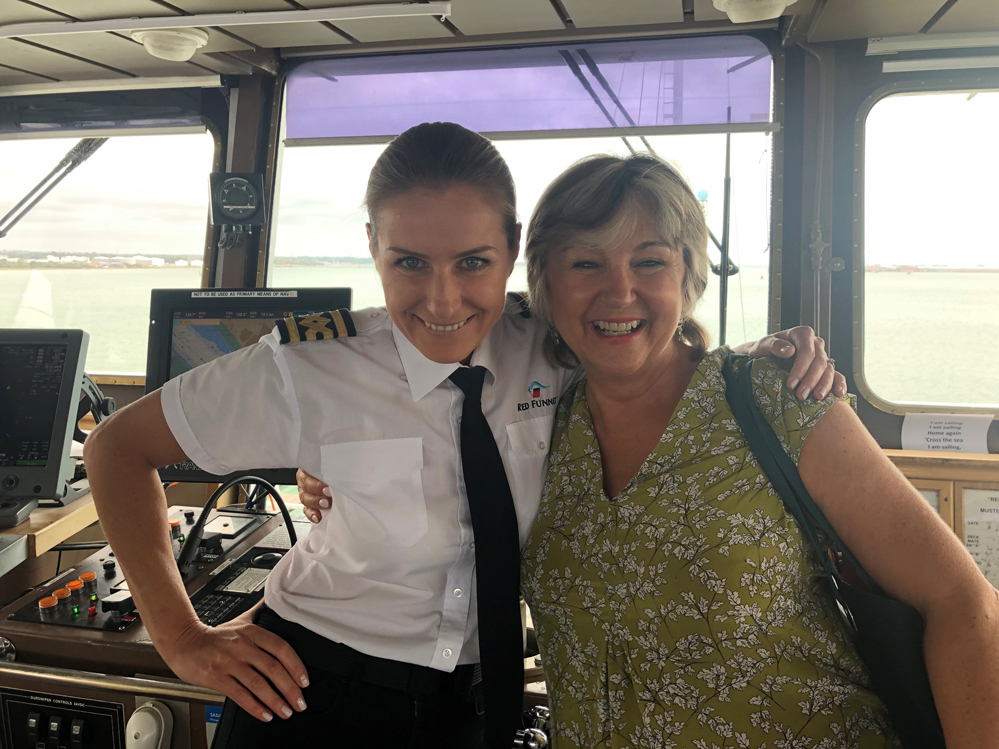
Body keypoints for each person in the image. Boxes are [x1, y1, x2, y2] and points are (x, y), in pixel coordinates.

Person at [84, 123, 841, 749]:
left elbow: (646, 339)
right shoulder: (305, 366)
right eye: (408, 262)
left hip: (477, 705)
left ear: (513, 250)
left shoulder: (555, 344)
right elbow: (117, 449)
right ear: (373, 247)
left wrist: (758, 360)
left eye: (472, 263)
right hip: (313, 691)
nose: (441, 300)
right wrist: (180, 637)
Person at [515, 154, 998, 746]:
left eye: (649, 262)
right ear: (545, 281)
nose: (620, 291)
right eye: (585, 263)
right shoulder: (540, 425)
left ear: (688, 276)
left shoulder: (779, 401)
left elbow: (962, 602)